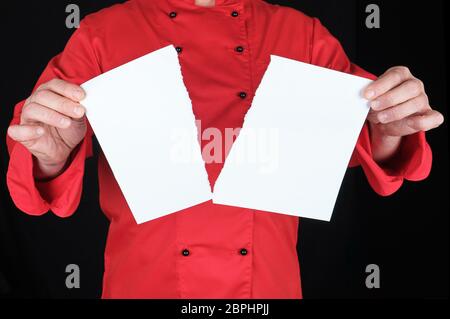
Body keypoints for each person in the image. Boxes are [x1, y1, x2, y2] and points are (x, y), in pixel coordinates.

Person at [5, 0, 444, 298]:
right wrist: (51, 153)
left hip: (266, 290)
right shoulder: (102, 34)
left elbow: (366, 145)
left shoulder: (303, 35)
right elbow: (43, 159)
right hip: (142, 284)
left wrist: (390, 126)